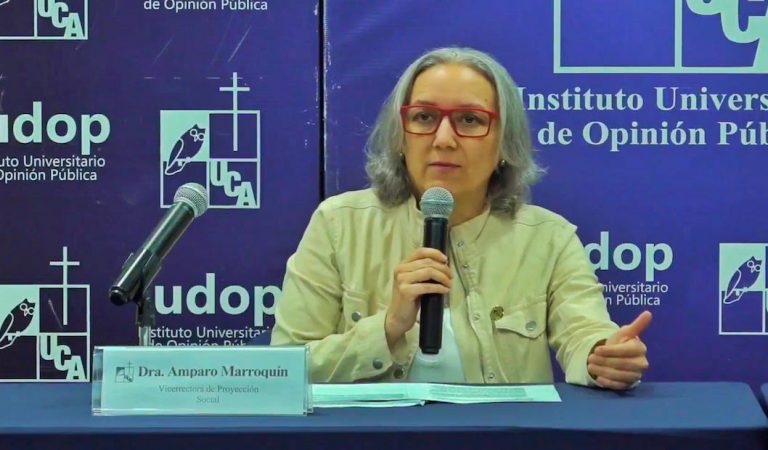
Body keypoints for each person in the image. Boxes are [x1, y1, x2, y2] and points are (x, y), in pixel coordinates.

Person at [270, 47, 650, 390]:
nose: (443, 139)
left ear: (504, 144)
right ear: (401, 138)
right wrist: (387, 328)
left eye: (469, 120)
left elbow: (585, 333)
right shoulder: (338, 225)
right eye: (424, 117)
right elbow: (284, 368)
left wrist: (601, 357)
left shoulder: (549, 237)